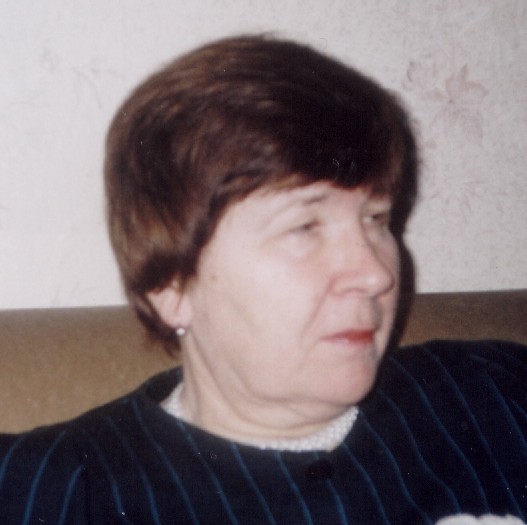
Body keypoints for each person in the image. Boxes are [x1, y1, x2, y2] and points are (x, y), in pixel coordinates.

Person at [0, 35, 526, 525]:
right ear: (171, 287)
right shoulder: (52, 491)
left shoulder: (493, 393)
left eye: (376, 219)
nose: (376, 273)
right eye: (304, 227)